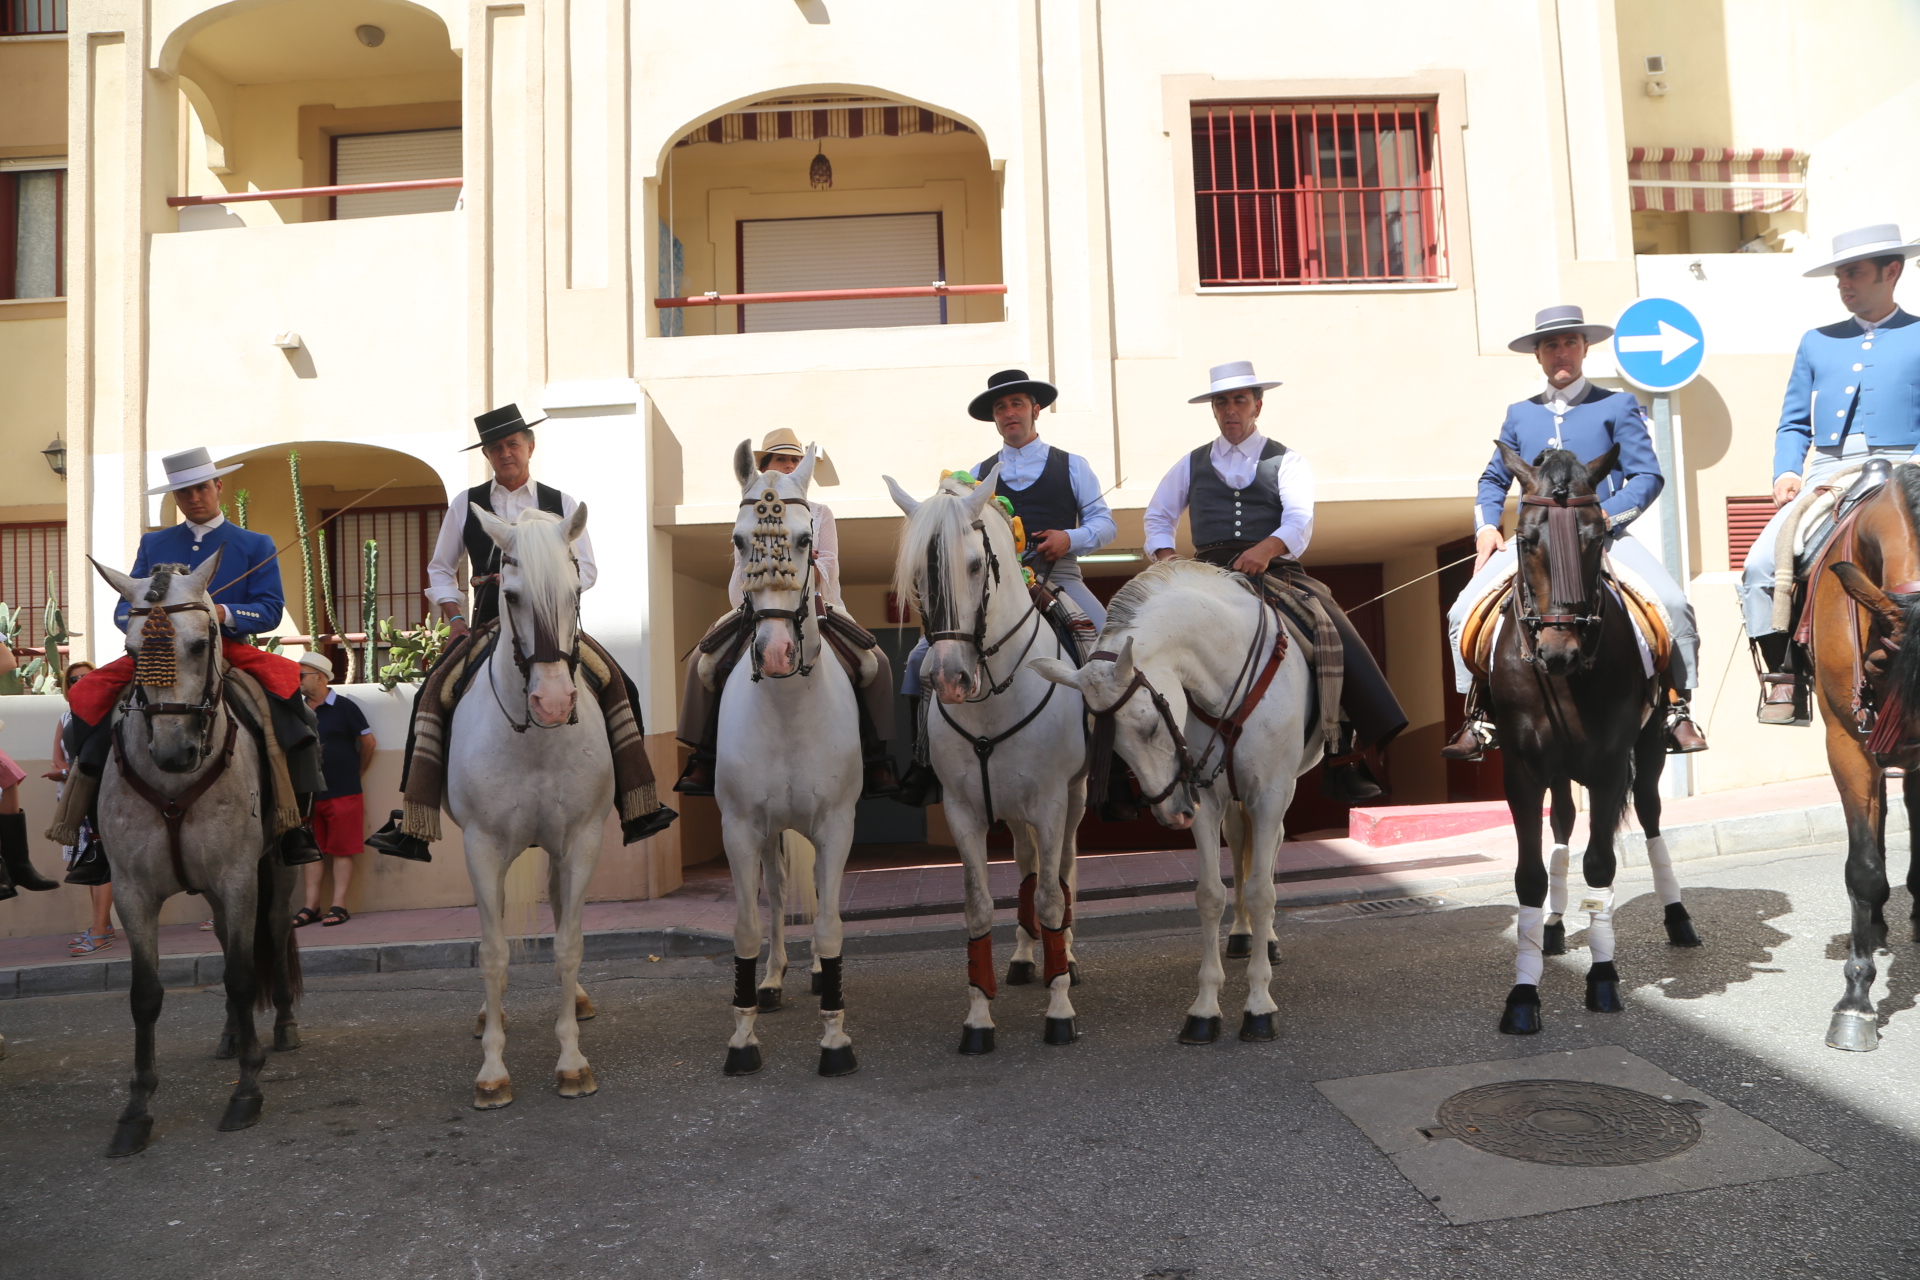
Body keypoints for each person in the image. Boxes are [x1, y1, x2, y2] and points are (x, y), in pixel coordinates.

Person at [367, 404, 675, 861]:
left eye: (513, 444)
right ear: (488, 455)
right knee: (431, 693)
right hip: (487, 626)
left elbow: (586, 569)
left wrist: (541, 580)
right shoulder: (464, 505)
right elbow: (439, 569)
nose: (505, 453)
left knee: (618, 683)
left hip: (551, 625)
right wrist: (454, 618)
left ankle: (637, 802)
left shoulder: (562, 503)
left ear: (530, 446)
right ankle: (415, 819)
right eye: (495, 447)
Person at [1441, 306, 1708, 758]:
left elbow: (1646, 477)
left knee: (1676, 605)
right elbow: (1493, 480)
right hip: (1536, 545)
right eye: (1550, 345)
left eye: (1569, 343)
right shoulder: (1519, 414)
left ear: (1585, 348)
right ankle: (1479, 714)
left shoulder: (1617, 404)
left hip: (1598, 537)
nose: (1560, 352)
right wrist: (1487, 526)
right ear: (1538, 356)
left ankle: (1676, 709)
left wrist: (1604, 518)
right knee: (1460, 612)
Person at [1144, 360, 1407, 803]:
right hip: (1207, 572)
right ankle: (1162, 757)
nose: (1231, 409)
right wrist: (1168, 558)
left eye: (1240, 400)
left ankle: (1344, 753)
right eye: (1222, 401)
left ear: (1257, 405)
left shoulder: (1287, 460)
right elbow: (1158, 516)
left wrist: (1265, 550)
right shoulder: (1189, 463)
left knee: (1328, 627)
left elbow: (1300, 520)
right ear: (1213, 409)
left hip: (1274, 570)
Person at [60, 447, 323, 868]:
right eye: (183, 493)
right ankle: (94, 835)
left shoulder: (254, 544)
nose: (194, 498)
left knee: (299, 715)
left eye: (201, 488)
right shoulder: (155, 543)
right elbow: (124, 609)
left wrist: (219, 613)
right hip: (158, 653)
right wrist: (158, 624)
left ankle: (295, 825)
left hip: (227, 652)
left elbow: (270, 610)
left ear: (218, 486)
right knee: (85, 710)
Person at [892, 370, 1120, 805]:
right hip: (991, 587)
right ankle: (923, 765)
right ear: (995, 419)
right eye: (1001, 407)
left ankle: (1119, 766)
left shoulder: (1072, 464)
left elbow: (1105, 524)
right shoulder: (975, 475)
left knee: (1108, 642)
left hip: (1061, 576)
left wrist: (1067, 538)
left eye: (1016, 404)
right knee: (921, 659)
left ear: (1037, 409)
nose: (1009, 413)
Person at [1738, 223, 1920, 723]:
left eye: (1855, 273)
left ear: (1892, 271)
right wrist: (1785, 472)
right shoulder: (1817, 342)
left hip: (1910, 467)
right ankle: (1785, 676)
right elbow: (1794, 421)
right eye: (1840, 275)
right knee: (1758, 567)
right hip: (1830, 472)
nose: (1844, 284)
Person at [673, 428, 901, 798]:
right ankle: (705, 756)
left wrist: (802, 562)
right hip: (756, 607)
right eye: (782, 459)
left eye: (795, 460)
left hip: (816, 604)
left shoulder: (820, 513)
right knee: (701, 660)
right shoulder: (749, 511)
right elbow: (737, 579)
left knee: (877, 661)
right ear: (764, 467)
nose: (790, 465)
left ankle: (878, 759)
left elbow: (829, 566)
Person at [291, 651, 375, 927]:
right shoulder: (295, 709)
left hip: (343, 790)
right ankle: (310, 907)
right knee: (312, 851)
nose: (298, 680)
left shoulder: (345, 707)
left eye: (302, 675)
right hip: (308, 794)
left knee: (342, 850)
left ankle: (339, 905)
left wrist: (357, 772)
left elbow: (368, 742)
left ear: (320, 677)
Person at [45, 662, 112, 952]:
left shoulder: (109, 713)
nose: (80, 682)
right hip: (75, 798)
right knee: (88, 862)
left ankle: (99, 932)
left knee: (104, 860)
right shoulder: (66, 716)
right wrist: (66, 773)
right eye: (73, 680)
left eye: (86, 677)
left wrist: (67, 772)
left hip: (103, 797)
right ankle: (102, 924)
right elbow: (58, 760)